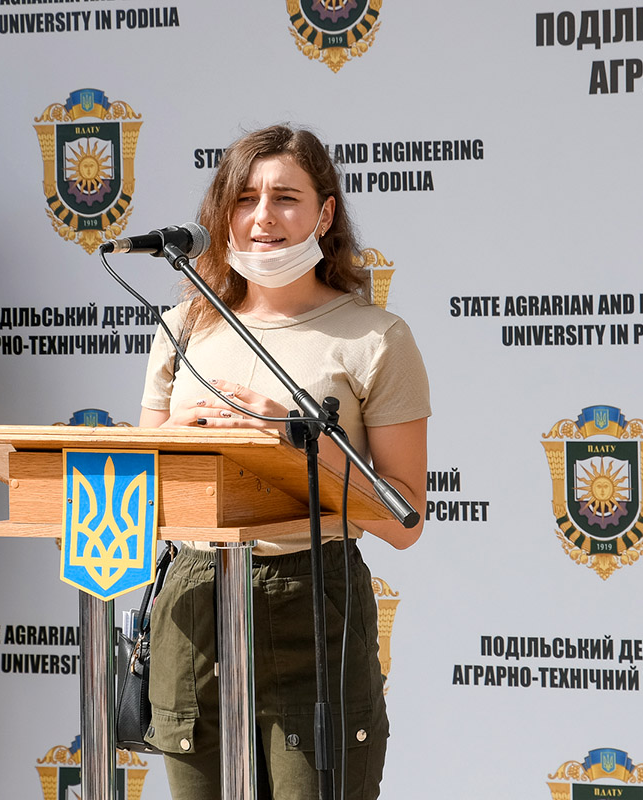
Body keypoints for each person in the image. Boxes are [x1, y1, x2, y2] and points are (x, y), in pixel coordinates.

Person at [138, 125, 430, 799]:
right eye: (244, 198)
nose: (263, 216)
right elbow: (139, 498)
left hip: (312, 598)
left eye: (285, 197)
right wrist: (170, 440)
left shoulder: (376, 337)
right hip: (193, 598)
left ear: (324, 214)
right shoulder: (182, 327)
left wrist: (297, 438)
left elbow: (404, 519)